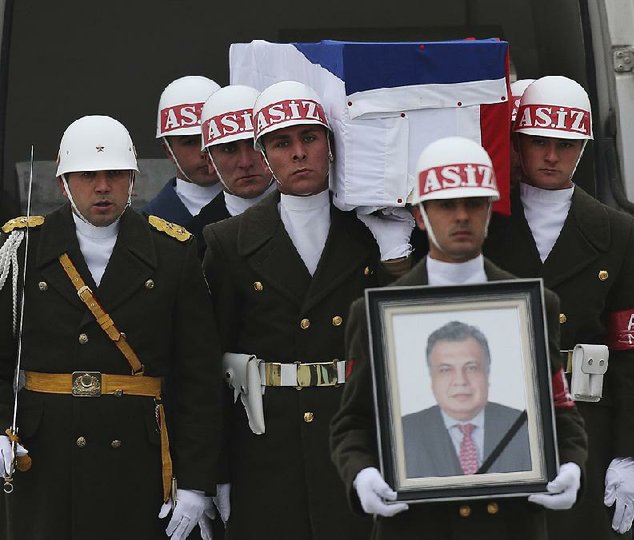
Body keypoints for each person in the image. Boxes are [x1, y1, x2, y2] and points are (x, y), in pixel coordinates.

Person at [330, 136, 588, 540]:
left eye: (474, 203)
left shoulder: (534, 305)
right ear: (419, 215)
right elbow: (352, 422)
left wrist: (572, 465)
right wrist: (361, 475)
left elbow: (559, 409)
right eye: (447, 205)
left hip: (509, 526)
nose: (462, 216)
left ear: (490, 210)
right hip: (418, 528)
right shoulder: (376, 315)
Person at [201, 80, 414, 540]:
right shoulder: (229, 241)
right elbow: (209, 364)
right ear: (263, 154)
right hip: (267, 448)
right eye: (282, 142)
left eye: (309, 138)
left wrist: (396, 256)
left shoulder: (371, 229)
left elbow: (411, 338)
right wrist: (212, 472)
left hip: (357, 438)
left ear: (331, 144)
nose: (298, 153)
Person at [0, 115, 222, 540]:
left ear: (133, 180)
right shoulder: (24, 249)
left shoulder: (173, 252)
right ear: (64, 183)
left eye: (114, 174)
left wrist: (196, 481)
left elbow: (198, 377)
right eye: (87, 175)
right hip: (45, 455)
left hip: (136, 456)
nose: (102, 186)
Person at [484, 75, 634, 538]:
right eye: (539, 141)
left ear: (583, 147)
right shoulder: (481, 223)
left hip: (584, 425)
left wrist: (626, 452)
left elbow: (631, 347)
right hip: (496, 422)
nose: (553, 155)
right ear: (517, 141)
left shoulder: (616, 231)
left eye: (566, 143)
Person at [402, 320, 531, 478]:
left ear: (487, 372)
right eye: (445, 370)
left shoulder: (524, 427)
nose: (460, 380)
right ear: (431, 378)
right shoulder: (403, 434)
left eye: (471, 368)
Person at [188, 84, 274, 253]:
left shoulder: (324, 218)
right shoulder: (192, 244)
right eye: (229, 149)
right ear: (209, 161)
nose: (245, 162)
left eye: (254, 145)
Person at [143, 75, 223, 226]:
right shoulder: (145, 225)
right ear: (168, 151)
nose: (204, 151)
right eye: (190, 142)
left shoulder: (268, 209)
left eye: (211, 136)